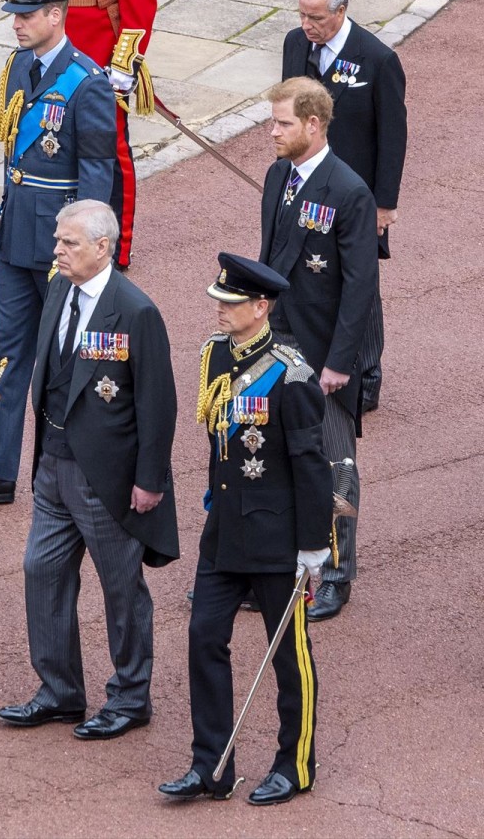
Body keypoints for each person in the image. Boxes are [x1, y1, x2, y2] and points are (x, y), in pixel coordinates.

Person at [0, 200, 178, 739]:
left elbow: (156, 403)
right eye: (57, 239)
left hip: (108, 479)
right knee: (41, 570)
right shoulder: (58, 288)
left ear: (102, 248)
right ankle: (59, 691)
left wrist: (150, 480)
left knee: (120, 588)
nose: (56, 250)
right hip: (52, 464)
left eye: (68, 242)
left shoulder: (136, 311)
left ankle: (129, 697)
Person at [158, 253, 331, 806]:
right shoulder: (213, 356)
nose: (220, 308)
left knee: (289, 655)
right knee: (204, 637)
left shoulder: (292, 372)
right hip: (225, 529)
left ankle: (295, 764)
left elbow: (310, 464)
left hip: (279, 538)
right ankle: (212, 764)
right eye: (219, 299)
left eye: (231, 303)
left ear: (261, 308)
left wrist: (314, 547)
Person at [0, 0, 116, 507]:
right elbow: (16, 164)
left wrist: (88, 252)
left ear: (56, 16)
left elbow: (98, 173)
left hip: (63, 248)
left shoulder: (88, 82)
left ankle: (74, 469)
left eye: (26, 16)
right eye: (15, 14)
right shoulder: (16, 70)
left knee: (69, 363)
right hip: (15, 239)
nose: (17, 23)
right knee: (5, 352)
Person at [258, 76, 378, 622]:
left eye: (283, 123)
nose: (273, 132)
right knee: (269, 455)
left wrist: (339, 363)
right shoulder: (278, 175)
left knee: (334, 465)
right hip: (274, 342)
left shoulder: (349, 191)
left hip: (321, 352)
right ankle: (268, 568)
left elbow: (360, 289)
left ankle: (336, 574)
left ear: (313, 123)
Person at [283, 0, 407, 414]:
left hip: (356, 196)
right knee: (307, 267)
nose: (306, 25)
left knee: (360, 281)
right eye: (301, 14)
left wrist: (385, 204)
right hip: (306, 184)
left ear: (342, 10)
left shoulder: (378, 59)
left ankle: (368, 373)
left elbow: (393, 136)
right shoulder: (295, 45)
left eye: (315, 17)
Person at [39, 0, 157, 270]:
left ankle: (117, 247)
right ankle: (55, 241)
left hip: (100, 43)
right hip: (57, 37)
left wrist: (123, 62)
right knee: (51, 135)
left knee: (109, 145)